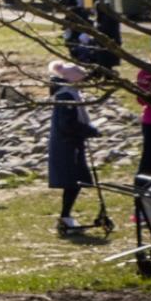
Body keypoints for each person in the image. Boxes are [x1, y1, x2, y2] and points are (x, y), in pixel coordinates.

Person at [47, 60, 100, 232]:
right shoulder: (67, 96)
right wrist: (88, 130)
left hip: (70, 143)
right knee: (72, 182)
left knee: (73, 183)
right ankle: (65, 217)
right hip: (68, 145)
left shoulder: (69, 94)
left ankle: (66, 215)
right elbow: (67, 124)